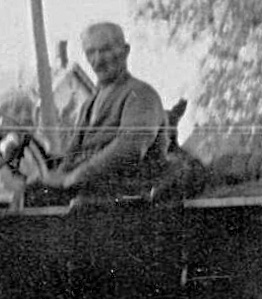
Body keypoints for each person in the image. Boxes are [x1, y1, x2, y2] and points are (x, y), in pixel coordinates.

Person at [35, 22, 170, 196]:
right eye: (91, 52)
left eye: (105, 50)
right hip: (90, 195)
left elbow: (130, 147)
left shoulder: (140, 95)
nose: (98, 61)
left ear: (125, 51)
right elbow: (72, 155)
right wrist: (53, 177)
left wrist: (77, 176)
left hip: (129, 199)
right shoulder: (89, 104)